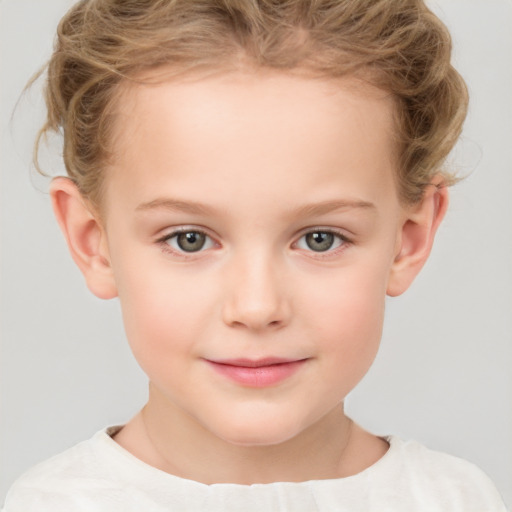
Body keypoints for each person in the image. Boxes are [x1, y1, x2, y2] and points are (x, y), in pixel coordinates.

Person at [2, 0, 508, 510]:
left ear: (410, 238)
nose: (257, 307)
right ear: (93, 240)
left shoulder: (457, 500)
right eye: (189, 239)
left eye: (320, 239)